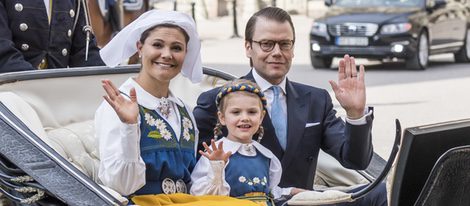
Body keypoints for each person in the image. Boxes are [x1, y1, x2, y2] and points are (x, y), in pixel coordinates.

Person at [193, 7, 387, 205]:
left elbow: (355, 161)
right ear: (248, 47)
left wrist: (355, 115)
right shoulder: (216, 101)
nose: (277, 52)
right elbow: (194, 171)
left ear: (292, 49)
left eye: (285, 44)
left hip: (304, 201)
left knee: (378, 192)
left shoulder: (316, 100)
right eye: (267, 44)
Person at [96, 8, 203, 198]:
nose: (167, 54)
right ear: (140, 48)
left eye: (176, 48)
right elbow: (121, 186)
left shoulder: (185, 110)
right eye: (157, 45)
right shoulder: (116, 106)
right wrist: (130, 127)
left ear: (186, 54)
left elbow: (194, 179)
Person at [190, 80, 305, 205]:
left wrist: (291, 192)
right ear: (222, 117)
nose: (245, 118)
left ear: (261, 117)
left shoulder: (265, 155)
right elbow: (202, 196)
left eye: (252, 112)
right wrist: (217, 168)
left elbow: (270, 192)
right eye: (236, 112)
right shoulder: (215, 152)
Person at [0, 0, 104, 73]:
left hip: (56, 92)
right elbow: (4, 54)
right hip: (12, 90)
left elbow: (83, 53)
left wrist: (111, 71)